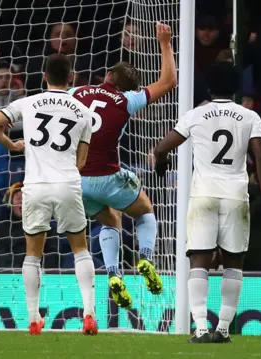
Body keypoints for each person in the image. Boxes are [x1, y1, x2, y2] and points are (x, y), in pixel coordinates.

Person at [153, 61, 261, 344]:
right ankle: (225, 329)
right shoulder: (249, 116)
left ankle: (201, 328)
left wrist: (161, 164)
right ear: (235, 89)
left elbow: (161, 147)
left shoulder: (196, 114)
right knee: (233, 262)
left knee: (199, 261)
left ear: (208, 86)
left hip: (203, 194)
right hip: (235, 196)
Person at [0, 53, 97, 336]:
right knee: (80, 249)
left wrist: (11, 145)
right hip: (67, 183)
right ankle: (89, 314)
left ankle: (34, 319)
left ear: (44, 76)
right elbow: (81, 163)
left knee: (33, 254)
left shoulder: (27, 102)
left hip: (35, 186)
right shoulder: (83, 111)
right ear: (70, 78)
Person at [67, 23, 177, 309]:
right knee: (145, 211)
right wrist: (164, 42)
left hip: (77, 180)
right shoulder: (127, 101)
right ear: (131, 88)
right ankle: (146, 258)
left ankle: (114, 273)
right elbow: (168, 82)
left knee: (110, 219)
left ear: (107, 76)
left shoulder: (77, 93)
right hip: (108, 175)